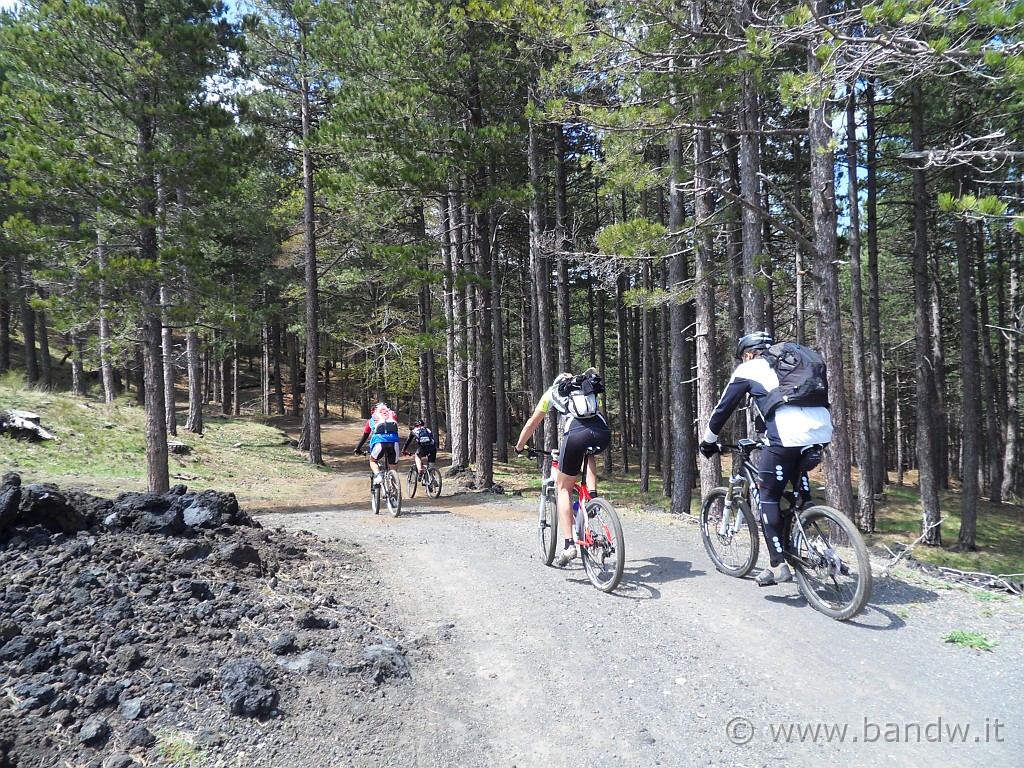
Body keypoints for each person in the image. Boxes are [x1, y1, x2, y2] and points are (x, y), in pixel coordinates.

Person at [699, 332, 833, 587]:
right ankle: (806, 517)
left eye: (743, 357)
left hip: (786, 435)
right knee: (797, 492)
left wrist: (708, 440)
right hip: (821, 432)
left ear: (748, 354)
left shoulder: (749, 368)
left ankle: (777, 564)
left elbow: (722, 409)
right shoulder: (791, 364)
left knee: (768, 495)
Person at [514, 368, 612, 567]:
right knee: (589, 453)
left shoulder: (552, 392)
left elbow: (532, 423)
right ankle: (592, 498)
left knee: (563, 488)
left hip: (576, 436)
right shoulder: (589, 389)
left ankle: (569, 545)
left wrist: (519, 446)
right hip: (602, 434)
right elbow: (599, 415)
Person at [353, 402, 401, 483]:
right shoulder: (392, 416)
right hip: (394, 443)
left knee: (373, 461)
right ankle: (396, 491)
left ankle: (379, 476)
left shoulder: (372, 420)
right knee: (393, 468)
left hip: (379, 443)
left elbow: (365, 436)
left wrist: (357, 449)